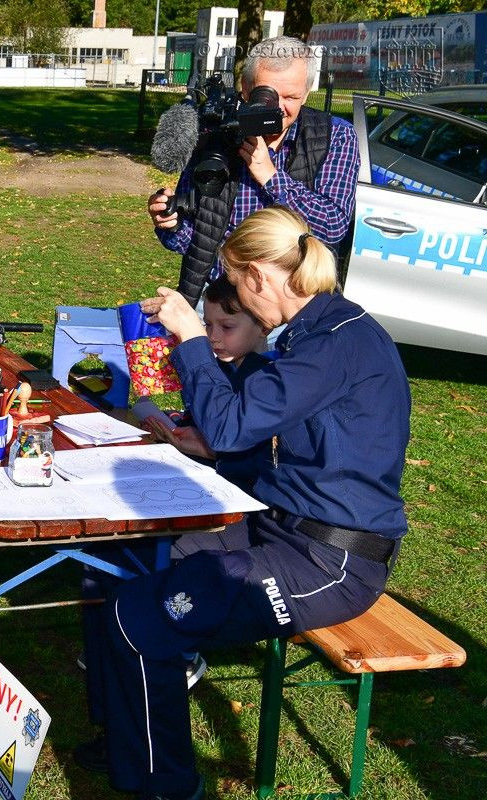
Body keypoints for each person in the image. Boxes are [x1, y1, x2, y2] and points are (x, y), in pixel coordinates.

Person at [75, 207, 410, 800]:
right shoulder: (313, 333)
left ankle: (167, 787)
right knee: (114, 563)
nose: (237, 297)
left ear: (257, 276)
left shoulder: (335, 340)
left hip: (331, 560)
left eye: (236, 281)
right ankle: (127, 738)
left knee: (142, 618)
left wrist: (192, 339)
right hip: (280, 529)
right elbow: (263, 438)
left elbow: (233, 428)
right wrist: (204, 440)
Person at [147, 36, 359, 308]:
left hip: (295, 310)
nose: (279, 108)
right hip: (221, 305)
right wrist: (171, 223)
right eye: (268, 96)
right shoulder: (215, 132)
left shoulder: (335, 136)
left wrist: (271, 176)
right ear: (245, 89)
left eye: (291, 97)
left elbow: (333, 225)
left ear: (306, 94)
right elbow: (198, 241)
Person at [149, 278, 273, 495]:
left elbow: (264, 459)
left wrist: (213, 452)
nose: (213, 337)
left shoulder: (267, 380)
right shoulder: (215, 369)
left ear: (263, 325)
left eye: (227, 327)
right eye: (207, 325)